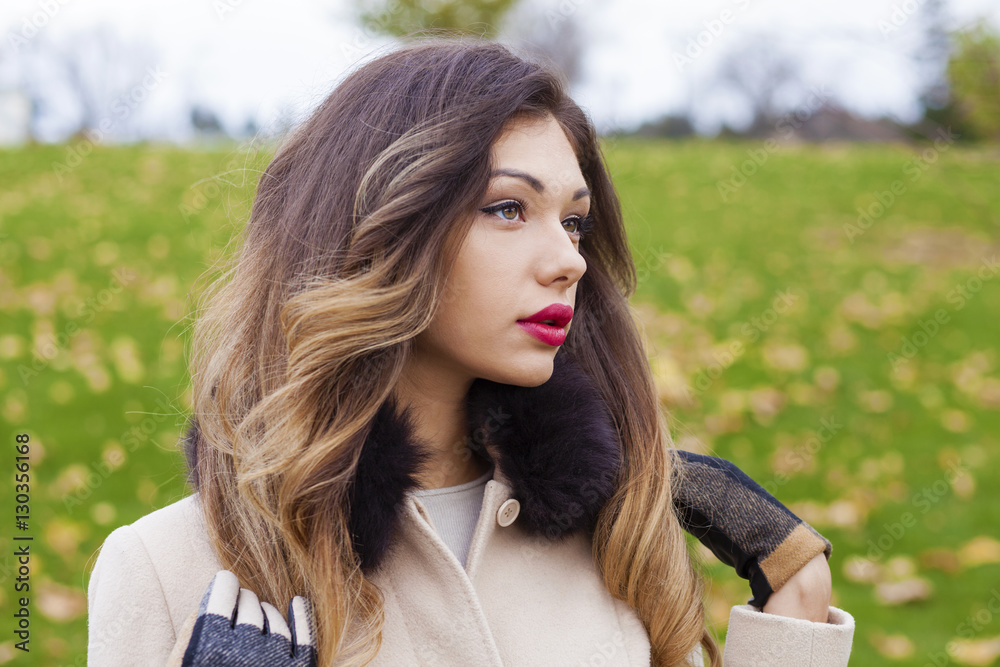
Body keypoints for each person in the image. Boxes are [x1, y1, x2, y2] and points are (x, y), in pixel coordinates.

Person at [87, 37, 854, 666]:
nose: (569, 258)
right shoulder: (167, 567)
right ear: (377, 228)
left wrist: (798, 604)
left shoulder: (620, 534)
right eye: (508, 208)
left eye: (574, 221)